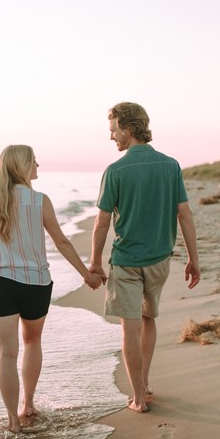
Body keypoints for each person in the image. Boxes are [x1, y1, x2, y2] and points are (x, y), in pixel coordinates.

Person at [0, 145, 104, 434]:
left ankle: (12, 421)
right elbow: (61, 242)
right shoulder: (39, 201)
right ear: (22, 167)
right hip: (35, 283)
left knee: (6, 353)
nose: (38, 165)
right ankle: (28, 405)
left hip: (0, 283)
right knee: (32, 342)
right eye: (33, 161)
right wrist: (87, 275)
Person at [88, 102, 201, 413]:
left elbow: (101, 222)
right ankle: (146, 382)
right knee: (149, 318)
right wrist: (193, 259)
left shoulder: (115, 171)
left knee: (130, 327)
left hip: (126, 262)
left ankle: (138, 397)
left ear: (128, 128)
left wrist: (96, 262)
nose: (111, 137)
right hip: (160, 260)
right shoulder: (170, 165)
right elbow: (185, 215)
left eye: (113, 130)